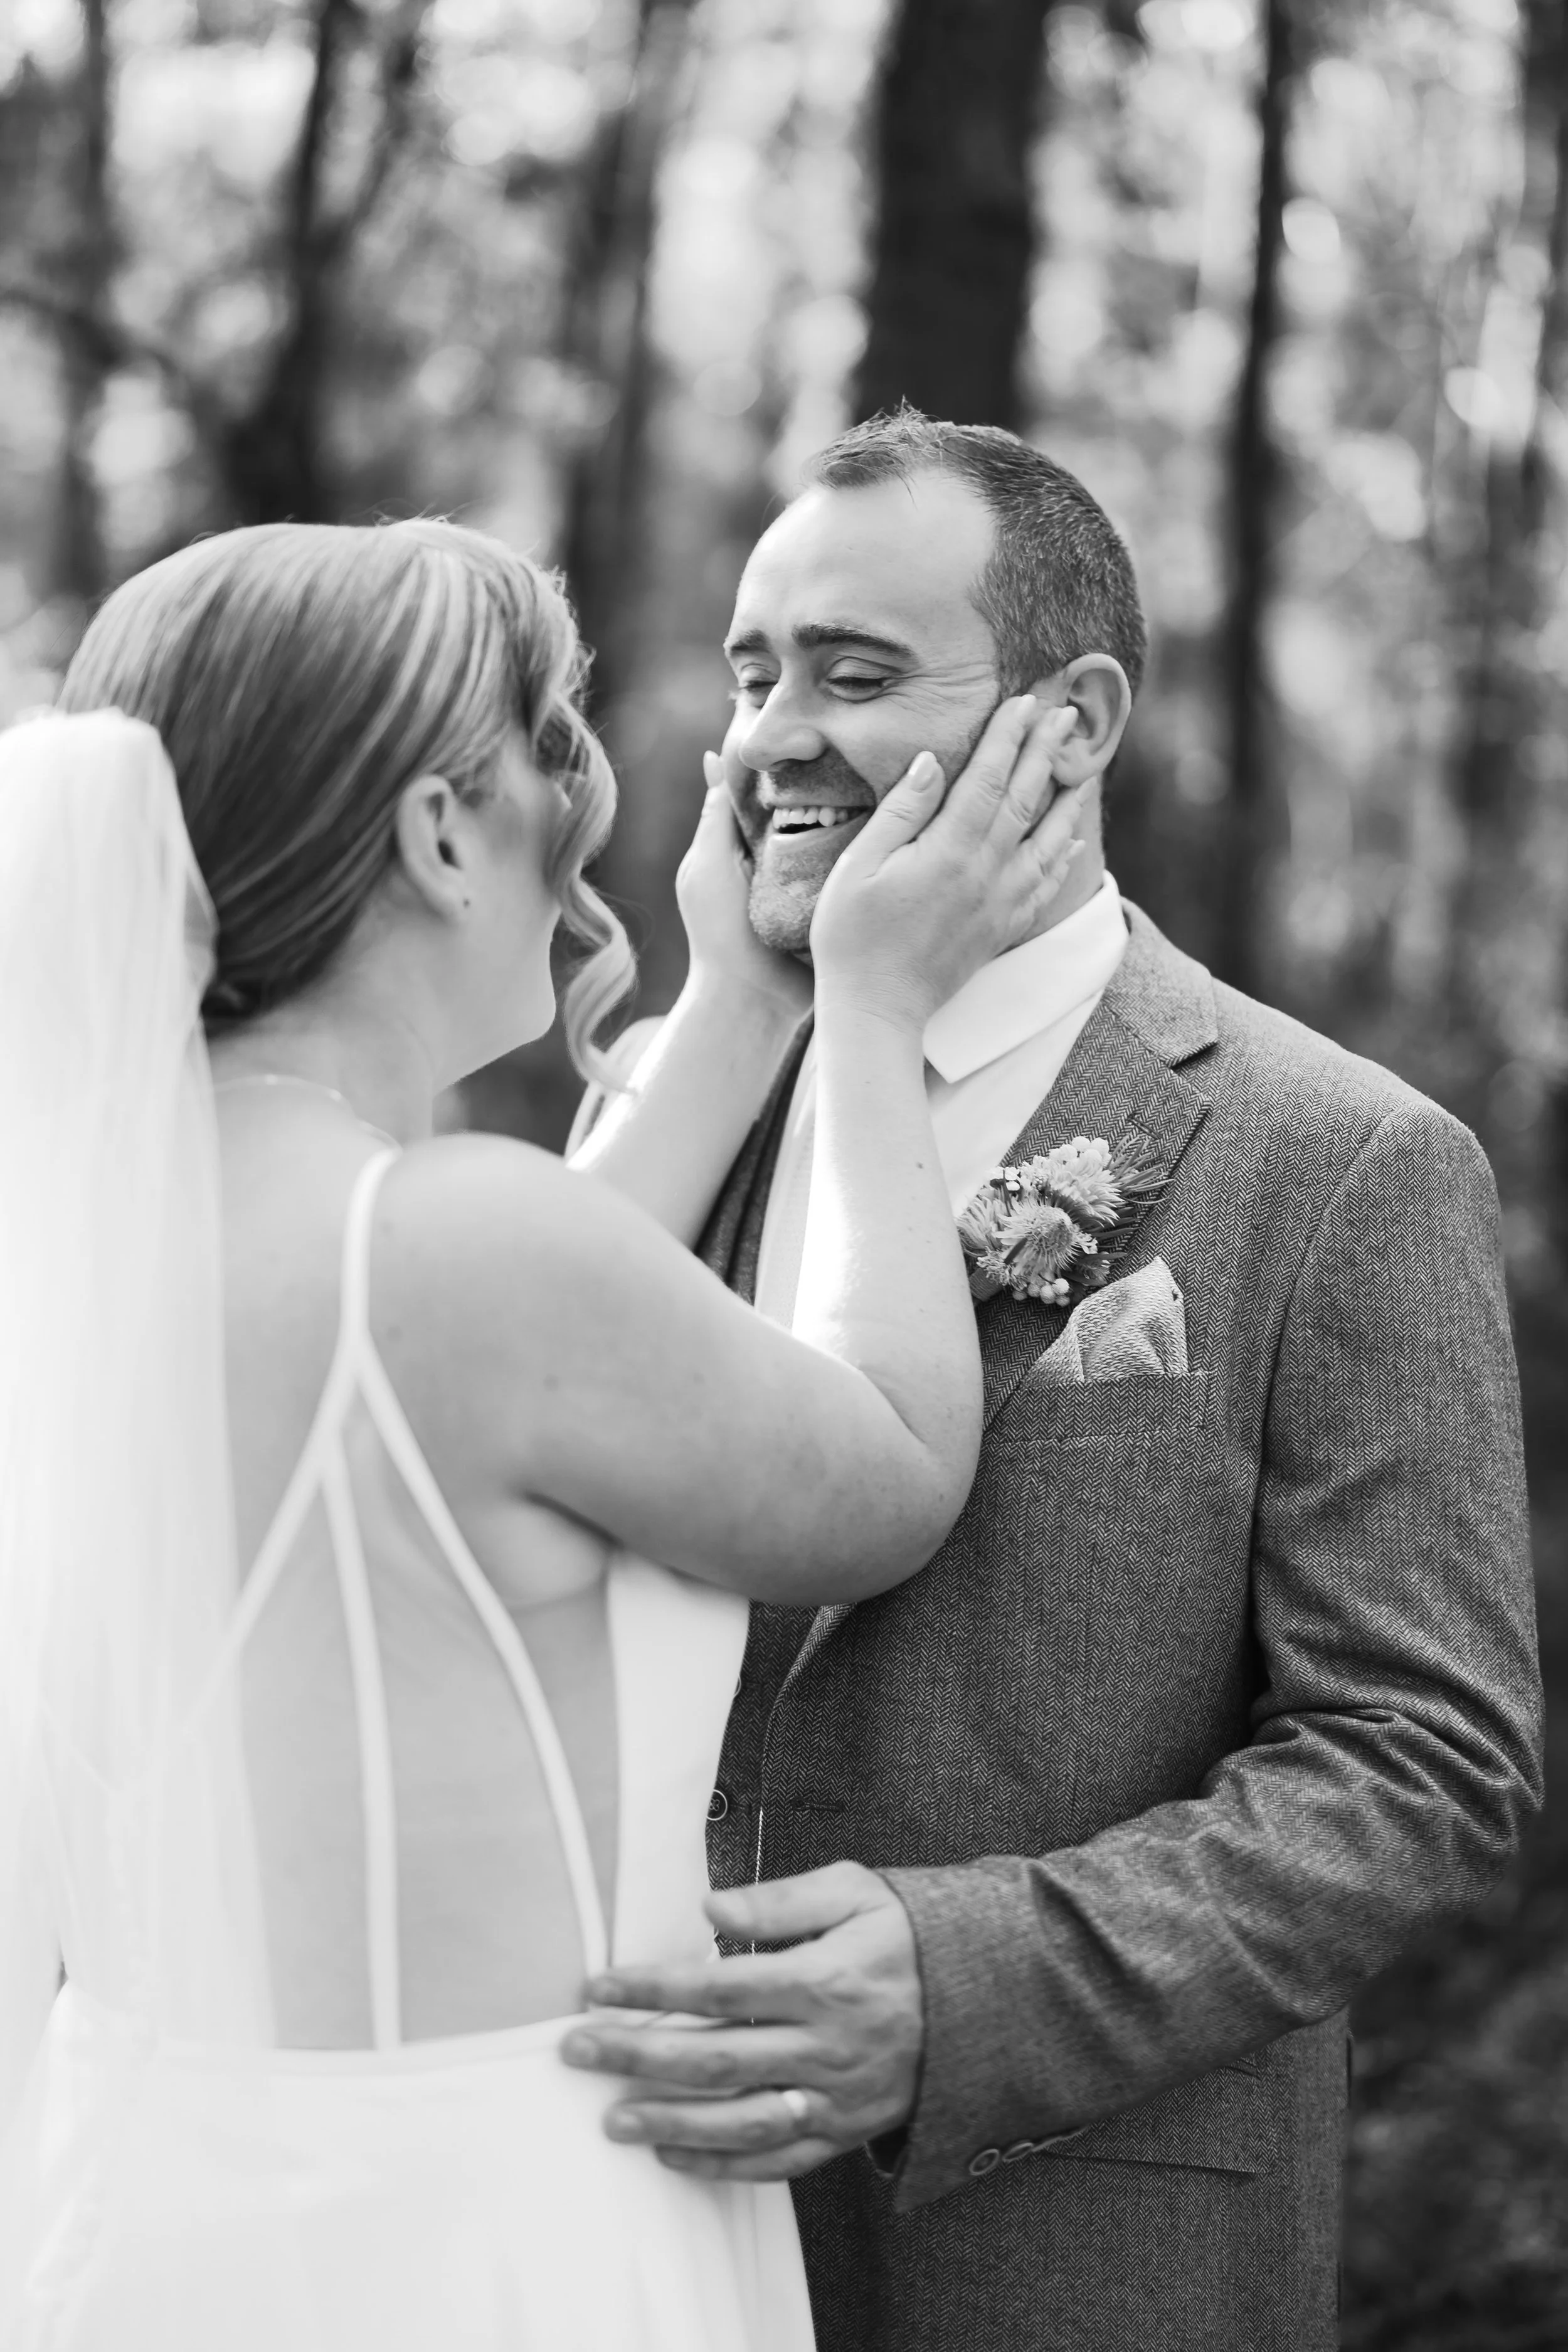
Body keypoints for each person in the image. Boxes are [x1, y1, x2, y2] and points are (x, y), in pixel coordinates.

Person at [0, 516, 1087, 2352]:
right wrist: (875, 1012)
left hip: (167, 2197)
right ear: (438, 831)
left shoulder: (101, 1222)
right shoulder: (451, 1240)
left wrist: (741, 995)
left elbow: (540, 1316)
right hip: (480, 2233)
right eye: (536, 761)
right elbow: (886, 1461)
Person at [561, 411, 1544, 2352]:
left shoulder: (1338, 1160)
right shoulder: (662, 1120)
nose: (769, 735)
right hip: (622, 2212)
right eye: (753, 675)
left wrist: (966, 1979)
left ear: (1071, 718)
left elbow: (1418, 1760)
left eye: (852, 674)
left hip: (1074, 2249)